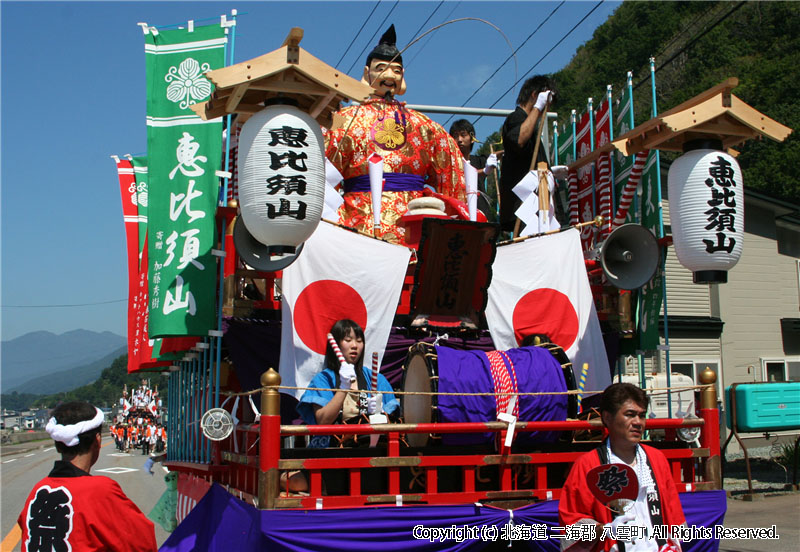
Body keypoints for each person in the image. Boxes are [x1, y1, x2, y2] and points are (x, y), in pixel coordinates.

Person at [325, 25, 466, 243]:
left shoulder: (425, 126)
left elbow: (452, 176)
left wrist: (449, 226)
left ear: (403, 76)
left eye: (396, 71)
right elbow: (325, 177)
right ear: (366, 73)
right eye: (382, 68)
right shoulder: (344, 121)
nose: (389, 75)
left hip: (413, 223)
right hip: (358, 221)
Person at [558, 383, 685, 552]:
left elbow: (674, 515)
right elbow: (571, 524)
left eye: (642, 416)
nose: (638, 422)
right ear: (607, 418)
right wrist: (604, 530)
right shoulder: (587, 465)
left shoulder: (657, 459)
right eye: (630, 415)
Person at [18, 401, 157, 552]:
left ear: (58, 445)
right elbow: (142, 543)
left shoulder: (38, 490)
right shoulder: (99, 491)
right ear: (97, 440)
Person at [499, 75, 563, 233]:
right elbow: (518, 140)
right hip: (524, 209)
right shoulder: (516, 118)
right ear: (535, 95)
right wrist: (537, 107)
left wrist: (550, 174)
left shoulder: (533, 128)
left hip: (538, 207)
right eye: (545, 104)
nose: (544, 110)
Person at [449, 119, 498, 220]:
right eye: (455, 136)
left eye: (463, 135)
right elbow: (462, 174)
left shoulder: (480, 161)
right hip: (457, 211)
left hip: (480, 209)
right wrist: (484, 170)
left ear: (472, 138)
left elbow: (499, 155)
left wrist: (497, 156)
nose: (459, 140)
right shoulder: (449, 163)